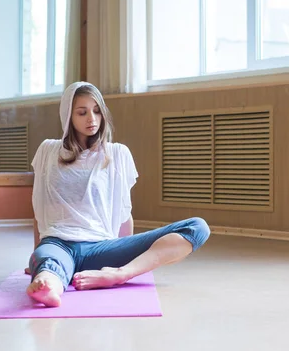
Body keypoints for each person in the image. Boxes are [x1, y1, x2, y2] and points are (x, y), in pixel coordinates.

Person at [27, 82, 210, 307]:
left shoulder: (117, 153)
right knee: (49, 266)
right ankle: (47, 285)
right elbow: (39, 206)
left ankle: (118, 275)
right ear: (68, 116)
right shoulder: (48, 151)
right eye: (82, 113)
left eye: (97, 111)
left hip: (101, 247)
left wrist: (122, 259)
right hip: (58, 243)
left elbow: (124, 212)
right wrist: (38, 255)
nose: (91, 119)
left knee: (197, 227)